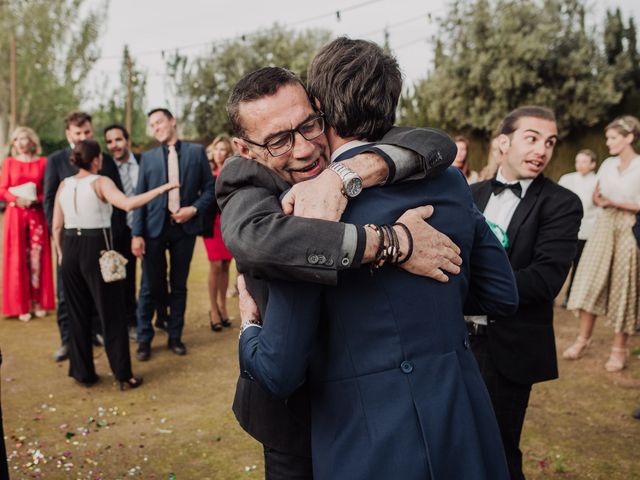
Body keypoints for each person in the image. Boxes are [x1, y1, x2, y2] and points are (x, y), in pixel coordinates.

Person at [235, 39, 518, 479]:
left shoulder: (310, 212)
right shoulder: (448, 183)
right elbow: (501, 294)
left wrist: (249, 326)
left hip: (369, 441)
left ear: (321, 107)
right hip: (465, 421)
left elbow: (278, 370)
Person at [468, 106, 582, 480]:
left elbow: (545, 279)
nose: (542, 150)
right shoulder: (468, 194)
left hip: (508, 347)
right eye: (532, 138)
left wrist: (468, 294)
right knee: (451, 440)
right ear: (503, 142)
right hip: (453, 342)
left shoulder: (562, 204)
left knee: (498, 448)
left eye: (549, 142)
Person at [51, 140, 177, 389]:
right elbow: (128, 204)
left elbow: (56, 224)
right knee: (112, 313)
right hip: (96, 248)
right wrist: (163, 189)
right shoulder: (101, 181)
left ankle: (82, 372)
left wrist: (60, 253)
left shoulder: (64, 184)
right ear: (96, 159)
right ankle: (123, 375)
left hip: (70, 249)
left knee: (77, 313)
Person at [132, 108, 215, 361]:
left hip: (184, 229)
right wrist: (137, 234)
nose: (155, 127)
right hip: (154, 229)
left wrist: (193, 209)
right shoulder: (146, 159)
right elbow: (139, 197)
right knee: (149, 286)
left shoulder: (196, 152)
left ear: (172, 121)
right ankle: (144, 338)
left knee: (179, 285)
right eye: (152, 125)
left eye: (159, 122)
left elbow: (211, 188)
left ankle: (175, 336)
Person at [565, 115, 640, 371]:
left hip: (629, 228)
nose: (607, 142)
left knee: (624, 288)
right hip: (604, 225)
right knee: (590, 280)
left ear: (629, 138)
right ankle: (582, 340)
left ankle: (619, 349)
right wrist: (600, 201)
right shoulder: (607, 164)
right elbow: (598, 195)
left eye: (613, 138)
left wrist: (615, 203)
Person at [44, 111, 120, 361]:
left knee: (101, 291)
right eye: (78, 133)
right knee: (66, 295)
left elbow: (117, 201)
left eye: (87, 132)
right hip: (68, 241)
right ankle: (68, 340)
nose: (83, 137)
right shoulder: (55, 160)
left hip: (100, 240)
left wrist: (115, 239)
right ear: (68, 134)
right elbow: (49, 201)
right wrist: (58, 245)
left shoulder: (104, 159)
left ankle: (97, 332)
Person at [103, 124, 169, 340]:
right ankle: (133, 323)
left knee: (156, 276)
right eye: (110, 142)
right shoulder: (105, 168)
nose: (114, 145)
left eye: (118, 140)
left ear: (128, 140)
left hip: (149, 228)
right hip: (121, 232)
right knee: (127, 280)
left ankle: (161, 315)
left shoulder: (145, 161)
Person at [0, 127, 55, 321]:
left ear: (32, 141)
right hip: (15, 216)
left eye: (25, 139)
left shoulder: (44, 162)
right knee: (17, 259)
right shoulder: (9, 163)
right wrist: (16, 200)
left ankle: (38, 302)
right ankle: (20, 304)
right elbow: (2, 189)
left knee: (37, 258)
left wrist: (36, 199)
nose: (22, 143)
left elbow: (49, 189)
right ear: (13, 144)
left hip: (37, 215)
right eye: (17, 139)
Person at [558, 149, 599, 306]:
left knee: (579, 267)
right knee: (559, 263)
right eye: (577, 161)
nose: (580, 165)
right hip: (565, 229)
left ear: (593, 164)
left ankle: (571, 297)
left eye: (584, 162)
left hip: (586, 232)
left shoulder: (597, 182)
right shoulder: (566, 179)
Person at [203, 134, 234, 331]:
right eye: (216, 149)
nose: (219, 153)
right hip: (211, 223)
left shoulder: (232, 170)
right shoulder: (206, 171)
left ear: (229, 152)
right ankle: (213, 309)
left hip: (229, 221)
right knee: (215, 265)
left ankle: (223, 306)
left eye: (223, 149)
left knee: (225, 265)